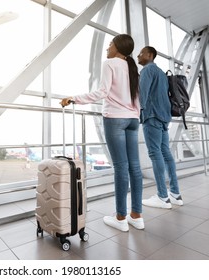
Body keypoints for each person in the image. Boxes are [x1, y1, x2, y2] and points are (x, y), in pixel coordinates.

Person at [61, 34, 144, 232]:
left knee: (121, 167)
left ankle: (120, 217)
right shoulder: (132, 67)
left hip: (115, 118)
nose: (107, 48)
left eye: (109, 45)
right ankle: (137, 216)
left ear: (117, 47)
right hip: (133, 119)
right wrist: (135, 114)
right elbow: (138, 97)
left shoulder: (110, 63)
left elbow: (103, 92)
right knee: (135, 167)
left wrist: (74, 98)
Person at [137, 46, 184, 209]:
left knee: (155, 153)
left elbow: (142, 94)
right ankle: (175, 194)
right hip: (164, 117)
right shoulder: (162, 73)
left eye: (141, 53)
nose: (138, 55)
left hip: (152, 116)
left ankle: (162, 196)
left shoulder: (147, 71)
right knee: (166, 153)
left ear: (150, 55)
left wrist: (139, 114)